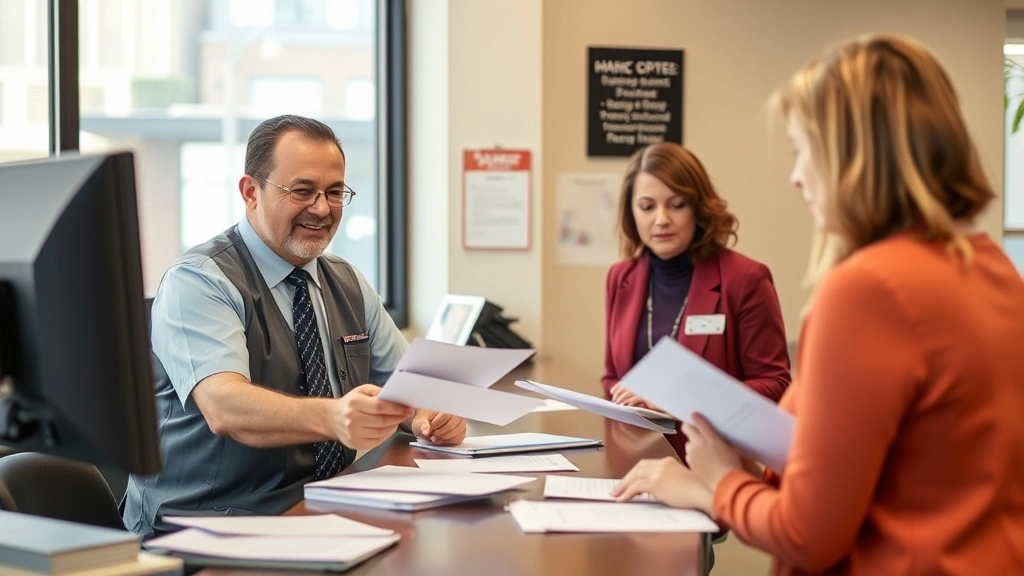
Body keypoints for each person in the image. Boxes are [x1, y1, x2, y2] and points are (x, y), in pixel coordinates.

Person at [613, 35, 1024, 575]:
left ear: (853, 153)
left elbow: (806, 534)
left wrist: (716, 485)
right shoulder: (993, 268)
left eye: (802, 149)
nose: (796, 174)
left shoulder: (867, 291)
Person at [124, 115, 466, 535]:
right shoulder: (199, 280)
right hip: (205, 523)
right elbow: (223, 407)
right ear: (251, 192)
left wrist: (430, 417)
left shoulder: (347, 281)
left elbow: (408, 386)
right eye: (302, 191)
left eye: (335, 192)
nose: (322, 208)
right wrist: (334, 416)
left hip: (319, 510)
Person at [602, 142, 791, 459]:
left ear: (699, 208)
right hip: (636, 459)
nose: (661, 219)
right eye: (647, 207)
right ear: (631, 213)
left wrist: (682, 400)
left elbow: (777, 385)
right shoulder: (621, 277)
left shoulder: (745, 279)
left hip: (718, 464)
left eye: (676, 205)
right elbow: (612, 376)